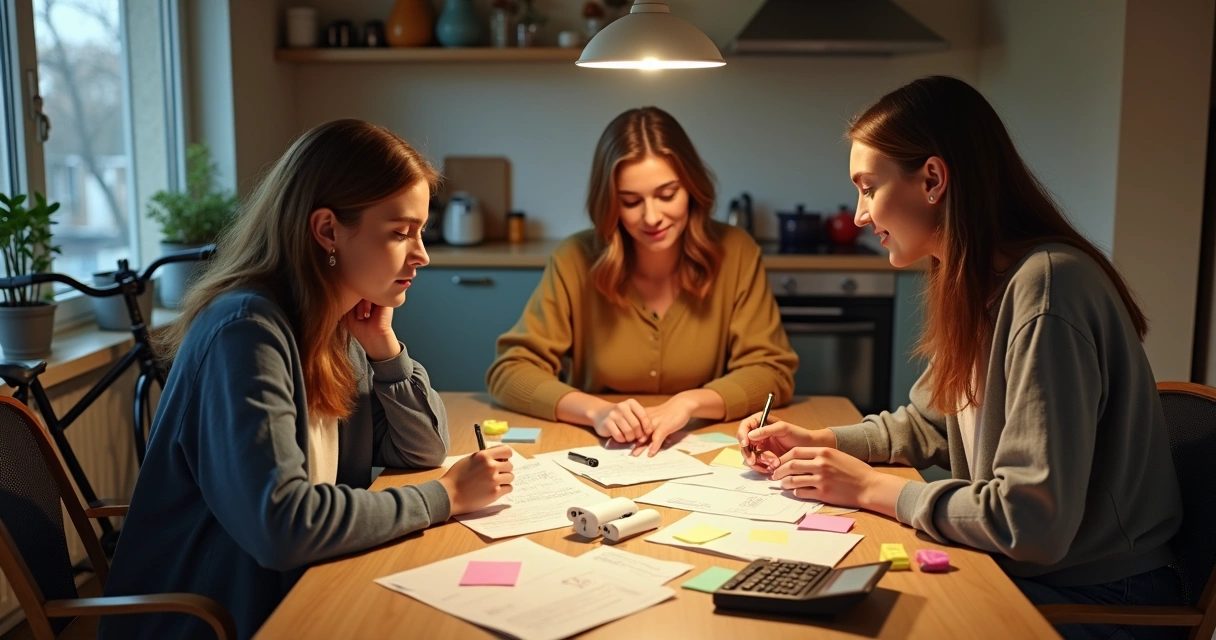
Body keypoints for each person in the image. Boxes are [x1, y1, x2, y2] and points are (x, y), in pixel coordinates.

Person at [738, 76, 1184, 640]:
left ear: (932, 179)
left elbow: (1031, 523)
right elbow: (929, 425)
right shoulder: (977, 282)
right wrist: (820, 443)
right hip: (1036, 574)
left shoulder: (1047, 288)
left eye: (868, 188)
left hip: (1102, 600)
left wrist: (871, 489)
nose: (857, 215)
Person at [99, 120, 515, 640]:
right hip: (216, 618)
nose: (422, 254)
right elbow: (282, 526)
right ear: (327, 231)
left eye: (421, 231)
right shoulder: (247, 332)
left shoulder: (333, 325)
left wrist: (384, 350)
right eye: (400, 232)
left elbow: (423, 448)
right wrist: (444, 497)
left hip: (290, 589)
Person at [487, 106, 797, 457]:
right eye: (631, 201)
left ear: (693, 189)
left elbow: (772, 372)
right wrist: (595, 410)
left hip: (704, 452)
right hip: (597, 450)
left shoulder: (736, 252)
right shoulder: (574, 257)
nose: (652, 217)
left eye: (667, 195)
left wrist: (689, 403)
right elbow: (510, 371)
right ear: (609, 203)